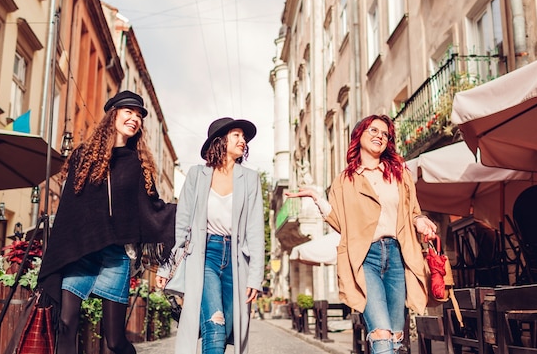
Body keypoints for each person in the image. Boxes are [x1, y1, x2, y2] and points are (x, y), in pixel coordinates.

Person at [37, 90, 176, 354]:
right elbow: (69, 210)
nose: (134, 118)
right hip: (82, 251)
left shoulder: (138, 164)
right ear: (113, 114)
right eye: (129, 112)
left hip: (116, 255)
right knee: (66, 323)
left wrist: (189, 210)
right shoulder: (83, 156)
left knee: (114, 341)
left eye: (139, 115)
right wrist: (58, 254)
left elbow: (151, 207)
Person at [286, 114, 437, 354]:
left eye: (385, 134)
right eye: (374, 131)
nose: (380, 136)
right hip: (366, 258)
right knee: (381, 335)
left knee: (397, 337)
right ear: (359, 135)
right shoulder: (345, 180)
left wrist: (421, 221)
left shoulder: (401, 174)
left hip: (399, 256)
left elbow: (414, 212)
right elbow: (341, 224)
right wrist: (317, 198)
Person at [156, 117, 265, 354]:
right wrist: (167, 267)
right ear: (220, 140)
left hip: (237, 262)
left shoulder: (250, 179)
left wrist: (256, 276)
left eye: (244, 137)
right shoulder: (197, 175)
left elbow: (255, 230)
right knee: (215, 325)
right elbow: (182, 227)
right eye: (236, 135)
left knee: (226, 330)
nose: (243, 140)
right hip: (205, 256)